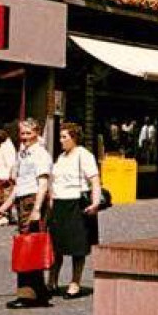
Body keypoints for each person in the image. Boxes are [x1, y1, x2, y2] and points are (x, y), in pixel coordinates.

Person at [0, 118, 52, 308]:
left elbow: (42, 184)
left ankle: (27, 294)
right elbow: (18, 185)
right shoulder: (23, 154)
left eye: (28, 134)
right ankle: (39, 291)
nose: (25, 137)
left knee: (28, 247)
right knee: (28, 245)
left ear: (37, 133)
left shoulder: (41, 154)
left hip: (33, 200)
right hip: (22, 200)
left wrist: (36, 210)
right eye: (22, 134)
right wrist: (5, 207)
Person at [47, 122, 102, 298]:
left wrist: (95, 203)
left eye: (65, 137)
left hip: (77, 204)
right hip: (59, 204)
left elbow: (94, 181)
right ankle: (52, 281)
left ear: (74, 138)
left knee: (78, 246)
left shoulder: (84, 155)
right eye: (61, 137)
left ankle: (75, 282)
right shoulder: (61, 157)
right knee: (57, 246)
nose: (61, 141)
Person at [0, 128, 16, 225]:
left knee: (4, 198)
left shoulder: (7, 148)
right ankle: (5, 216)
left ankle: (4, 217)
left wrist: (10, 176)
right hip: (2, 176)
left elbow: (11, 163)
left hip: (5, 177)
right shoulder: (3, 145)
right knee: (0, 197)